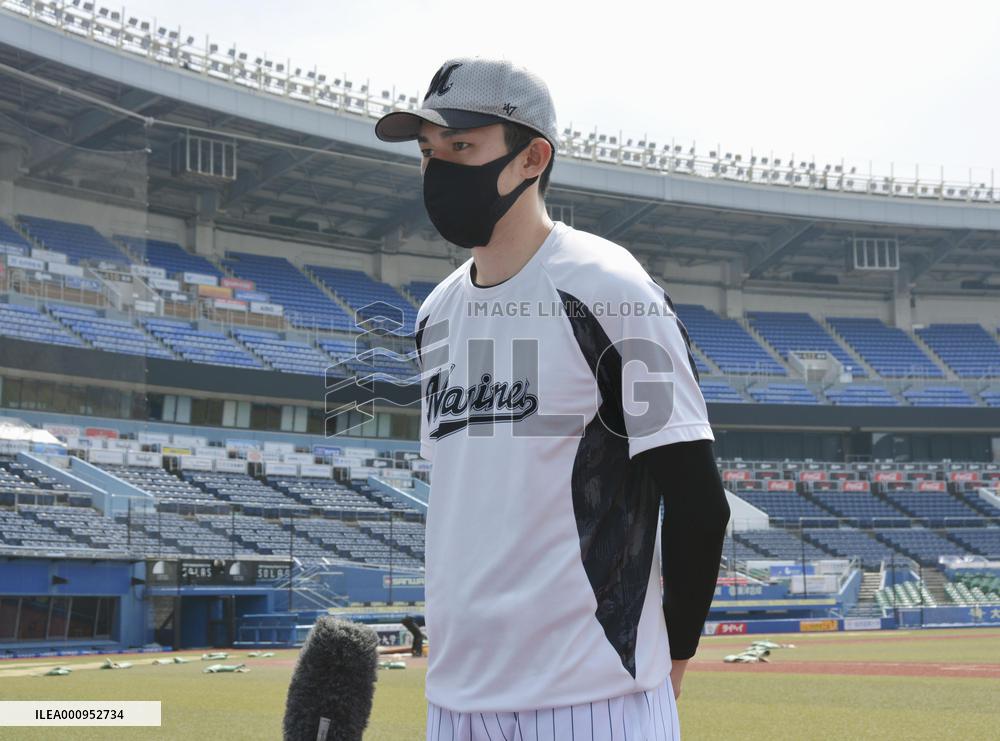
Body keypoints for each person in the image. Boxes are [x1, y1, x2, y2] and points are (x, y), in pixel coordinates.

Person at [375, 57, 730, 741]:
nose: (439, 169)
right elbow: (469, 503)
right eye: (428, 153)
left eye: (462, 147)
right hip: (455, 700)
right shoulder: (433, 316)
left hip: (592, 694)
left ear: (533, 156)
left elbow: (697, 499)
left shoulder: (610, 287)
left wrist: (675, 654)